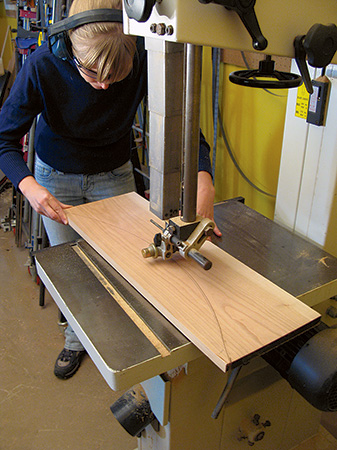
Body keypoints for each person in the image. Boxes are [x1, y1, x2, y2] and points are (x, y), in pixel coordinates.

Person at [0, 0, 221, 380]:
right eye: (93, 74)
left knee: (129, 265)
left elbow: (187, 127)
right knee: (73, 269)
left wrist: (203, 179)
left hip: (114, 175)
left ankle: (132, 341)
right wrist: (29, 186)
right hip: (55, 179)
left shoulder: (144, 63)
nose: (104, 86)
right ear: (69, 44)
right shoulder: (42, 65)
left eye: (115, 78)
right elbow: (3, 138)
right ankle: (74, 339)